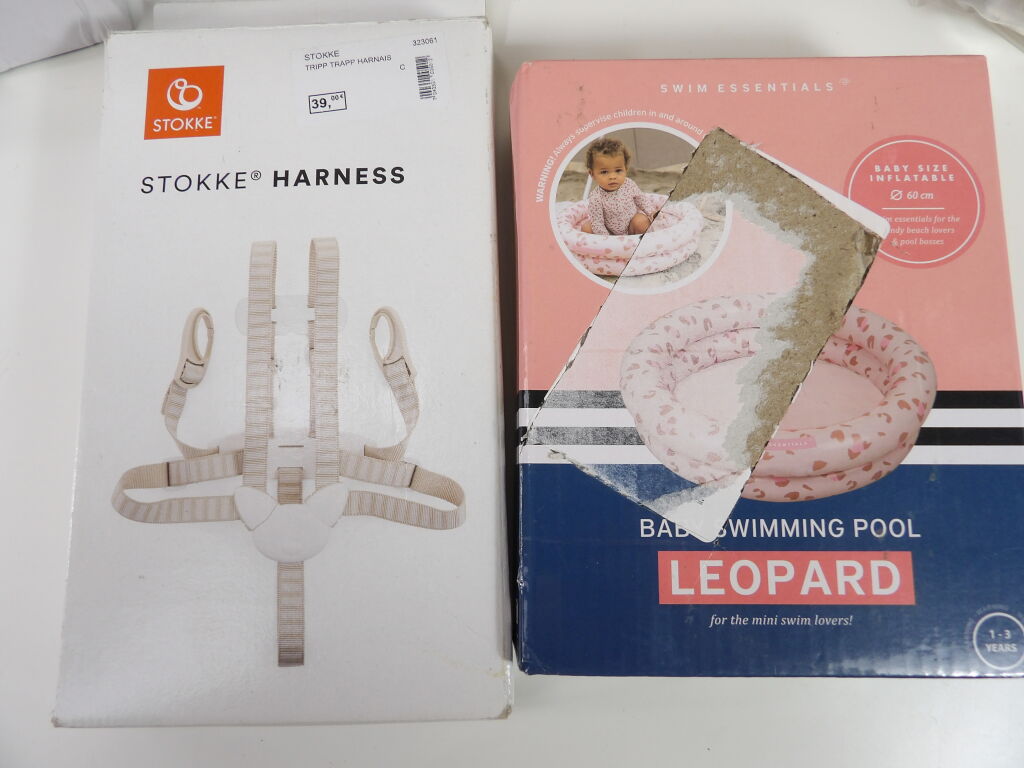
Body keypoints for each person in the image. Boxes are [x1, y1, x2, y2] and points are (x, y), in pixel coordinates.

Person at [581, 138, 659, 236]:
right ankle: (610, 244)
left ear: (625, 169)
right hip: (609, 233)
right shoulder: (596, 197)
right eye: (604, 172)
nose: (612, 177)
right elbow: (598, 223)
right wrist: (608, 240)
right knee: (587, 228)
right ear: (592, 174)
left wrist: (651, 212)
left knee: (641, 220)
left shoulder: (628, 184)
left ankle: (640, 240)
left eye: (618, 170)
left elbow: (641, 199)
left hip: (631, 227)